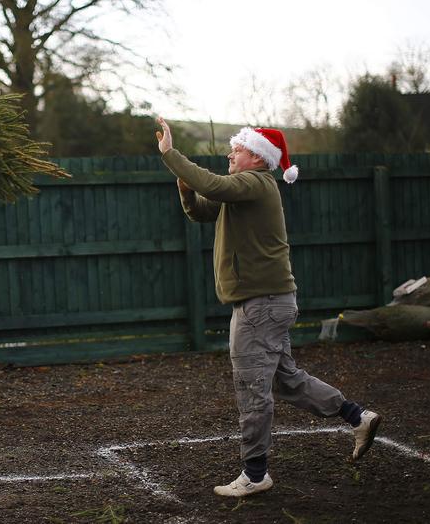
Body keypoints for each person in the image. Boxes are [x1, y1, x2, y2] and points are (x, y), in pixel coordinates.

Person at [154, 116, 381, 498]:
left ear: (258, 158)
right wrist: (186, 190)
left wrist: (170, 155)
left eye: (237, 149)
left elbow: (211, 183)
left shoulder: (254, 184)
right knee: (285, 379)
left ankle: (255, 473)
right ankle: (357, 416)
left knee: (251, 388)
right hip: (270, 303)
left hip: (259, 307)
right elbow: (202, 210)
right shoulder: (246, 190)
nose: (230, 153)